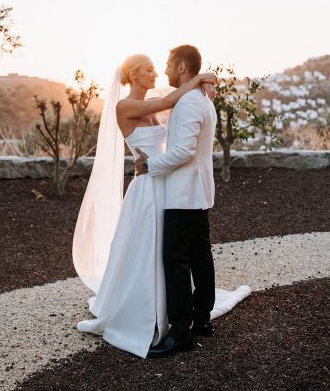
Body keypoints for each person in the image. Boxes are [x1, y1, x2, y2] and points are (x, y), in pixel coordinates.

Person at [74, 50, 251, 358]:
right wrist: (201, 79)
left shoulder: (171, 102)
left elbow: (174, 114)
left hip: (167, 184)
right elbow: (170, 102)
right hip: (148, 188)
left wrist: (201, 81)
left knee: (174, 255)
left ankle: (179, 318)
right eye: (149, 69)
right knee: (156, 251)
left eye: (160, 67)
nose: (156, 73)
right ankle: (156, 310)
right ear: (133, 75)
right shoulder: (126, 106)